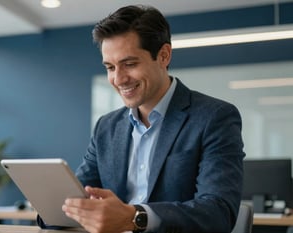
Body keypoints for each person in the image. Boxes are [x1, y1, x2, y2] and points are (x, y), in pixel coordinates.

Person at [40, 5, 245, 233]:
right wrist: (54, 206)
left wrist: (135, 217)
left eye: (130, 64)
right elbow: (76, 197)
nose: (118, 79)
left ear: (164, 55)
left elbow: (218, 213)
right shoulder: (106, 127)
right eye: (110, 67)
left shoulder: (214, 117)